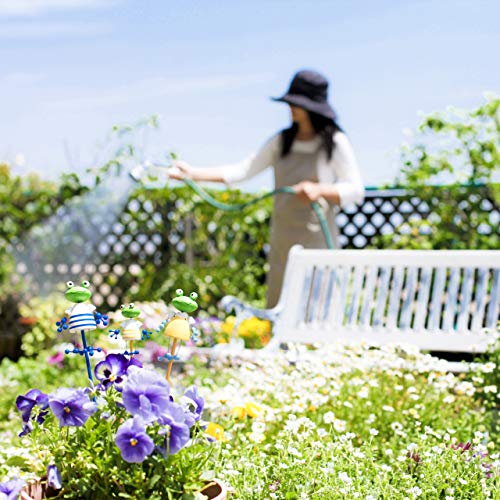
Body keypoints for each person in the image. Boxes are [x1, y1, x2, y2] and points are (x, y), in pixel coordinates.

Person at [169, 69, 364, 308]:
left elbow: (356, 189)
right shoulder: (281, 141)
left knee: (317, 304)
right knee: (281, 303)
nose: (290, 108)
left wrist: (319, 190)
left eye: (296, 104)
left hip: (317, 241)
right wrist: (191, 174)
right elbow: (242, 171)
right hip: (283, 238)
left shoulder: (334, 142)